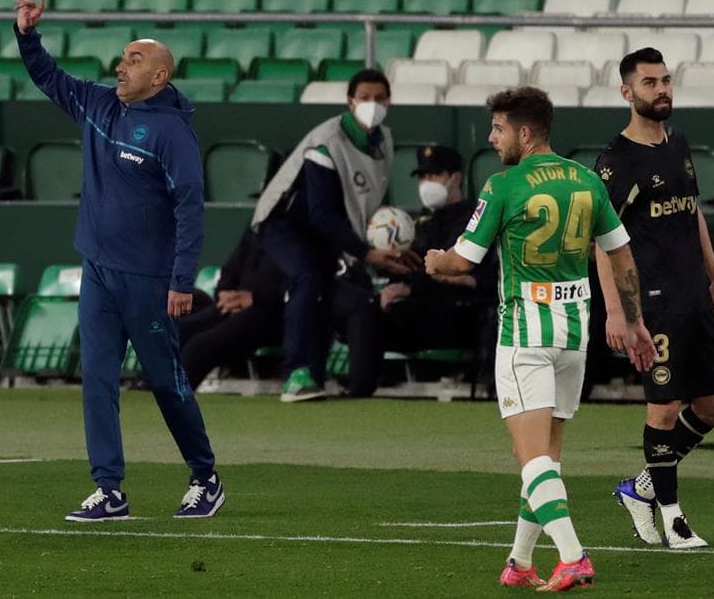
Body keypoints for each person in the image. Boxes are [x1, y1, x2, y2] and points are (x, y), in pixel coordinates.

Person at [425, 87, 656, 591]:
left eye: (498, 128)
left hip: (525, 333)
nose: (491, 137)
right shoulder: (587, 181)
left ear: (524, 133)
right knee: (543, 457)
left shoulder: (503, 185)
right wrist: (634, 321)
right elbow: (620, 255)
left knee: (532, 460)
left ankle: (573, 556)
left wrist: (434, 260)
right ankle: (520, 560)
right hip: (574, 335)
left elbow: (463, 261)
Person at [15, 0, 225, 521]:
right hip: (98, 270)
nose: (120, 66)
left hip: (150, 281)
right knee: (98, 380)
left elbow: (190, 208)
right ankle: (109, 489)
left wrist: (182, 280)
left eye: (132, 60)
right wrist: (27, 35)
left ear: (158, 76)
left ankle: (206, 476)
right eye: (122, 57)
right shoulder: (98, 103)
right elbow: (47, 76)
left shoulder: (172, 133)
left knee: (166, 383)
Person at [594, 47, 714, 549]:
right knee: (664, 407)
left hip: (694, 292)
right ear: (627, 92)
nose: (663, 90)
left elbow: (691, 211)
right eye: (650, 83)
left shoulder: (679, 144)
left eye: (666, 80)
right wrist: (616, 311)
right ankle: (673, 519)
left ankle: (643, 486)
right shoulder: (617, 162)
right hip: (654, 300)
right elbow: (600, 239)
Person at [251, 70, 419, 402]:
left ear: (390, 102)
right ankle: (295, 374)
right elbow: (319, 212)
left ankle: (313, 374)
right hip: (285, 223)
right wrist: (366, 252)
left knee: (326, 289)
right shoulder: (325, 143)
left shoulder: (384, 140)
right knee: (308, 275)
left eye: (379, 98)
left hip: (326, 228)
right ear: (350, 101)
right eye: (365, 98)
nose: (372, 105)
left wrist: (393, 245)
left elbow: (367, 202)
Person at [381, 146, 498, 360]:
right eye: (423, 176)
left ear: (455, 178)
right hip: (423, 307)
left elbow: (452, 269)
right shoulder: (423, 223)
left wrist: (409, 287)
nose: (427, 182)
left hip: (458, 310)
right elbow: (411, 265)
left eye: (435, 175)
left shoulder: (473, 219)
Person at [179, 226, 288, 389]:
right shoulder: (259, 223)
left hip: (273, 314)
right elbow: (230, 270)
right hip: (231, 306)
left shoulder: (300, 228)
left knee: (200, 346)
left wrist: (254, 298)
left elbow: (300, 285)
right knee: (178, 332)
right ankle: (147, 387)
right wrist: (225, 292)